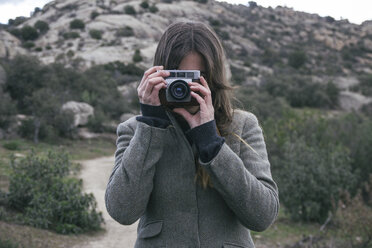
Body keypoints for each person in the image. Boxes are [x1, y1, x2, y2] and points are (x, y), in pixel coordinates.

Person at [105, 21, 279, 248]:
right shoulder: (134, 130)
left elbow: (263, 216)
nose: (183, 86)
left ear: (213, 78)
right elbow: (122, 211)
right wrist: (150, 125)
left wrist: (211, 142)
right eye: (177, 75)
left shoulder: (242, 125)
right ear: (160, 73)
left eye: (196, 76)